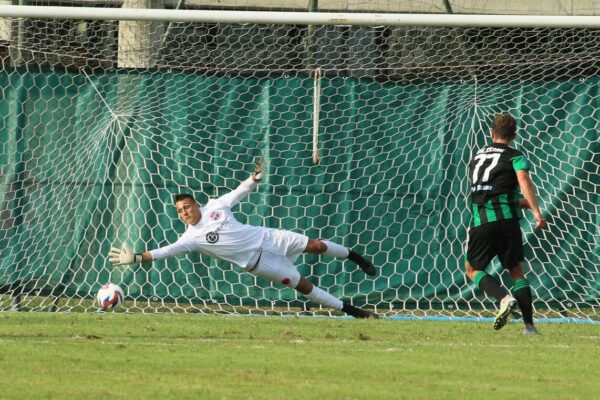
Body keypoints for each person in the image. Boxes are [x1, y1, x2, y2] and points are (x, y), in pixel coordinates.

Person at [108, 157, 378, 319]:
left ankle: (356, 257)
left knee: (316, 245)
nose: (184, 213)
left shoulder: (216, 206)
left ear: (197, 204)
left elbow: (239, 191)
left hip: (270, 238)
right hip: (261, 264)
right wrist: (137, 257)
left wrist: (255, 178)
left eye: (187, 207)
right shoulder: (190, 238)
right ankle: (355, 312)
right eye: (179, 211)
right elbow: (165, 251)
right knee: (304, 286)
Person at [465, 113, 547, 335]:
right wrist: (536, 210)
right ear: (514, 135)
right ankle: (529, 326)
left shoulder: (477, 156)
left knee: (472, 268)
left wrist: (525, 203)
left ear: (492, 134)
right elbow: (522, 180)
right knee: (516, 270)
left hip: (482, 220)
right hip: (508, 222)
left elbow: (492, 192)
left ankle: (503, 298)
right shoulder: (515, 155)